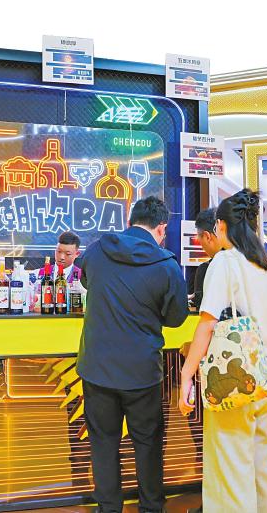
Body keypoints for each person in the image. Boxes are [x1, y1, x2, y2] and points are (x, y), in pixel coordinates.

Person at [76, 196, 189, 513]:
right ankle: (151, 507)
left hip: (97, 367)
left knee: (103, 442)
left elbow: (85, 280)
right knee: (147, 443)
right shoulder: (167, 265)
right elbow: (176, 318)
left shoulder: (98, 249)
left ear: (130, 221)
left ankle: (108, 508)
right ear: (162, 228)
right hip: (141, 372)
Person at [179, 190, 267, 512]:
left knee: (230, 470)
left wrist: (186, 374)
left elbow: (207, 323)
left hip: (235, 378)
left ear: (221, 226)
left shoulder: (225, 262)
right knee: (262, 465)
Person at [190, 207, 222, 309]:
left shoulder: (206, 269)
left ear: (207, 236)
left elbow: (203, 309)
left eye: (200, 240)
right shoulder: (250, 260)